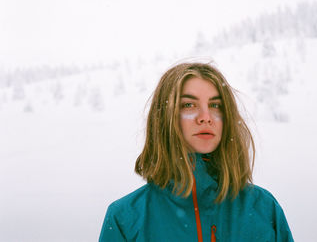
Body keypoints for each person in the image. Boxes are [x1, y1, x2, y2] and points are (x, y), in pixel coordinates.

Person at [99, 59, 294, 242]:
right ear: (165, 118)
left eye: (215, 105)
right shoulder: (125, 219)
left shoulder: (263, 208)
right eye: (189, 105)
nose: (206, 117)